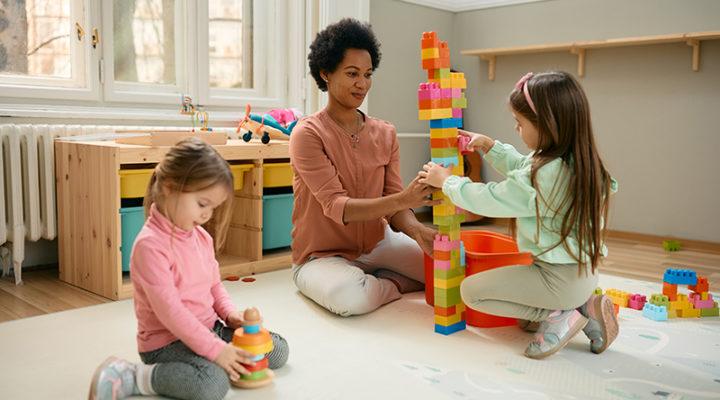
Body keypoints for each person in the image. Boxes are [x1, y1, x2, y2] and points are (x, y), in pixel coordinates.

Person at [419, 71, 619, 359]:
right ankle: (583, 305)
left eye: (519, 123)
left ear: (547, 125)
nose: (517, 129)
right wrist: (489, 147)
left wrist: (447, 182)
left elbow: (490, 199)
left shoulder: (543, 177)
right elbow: (524, 166)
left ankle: (561, 315)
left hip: (558, 281)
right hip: (584, 274)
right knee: (524, 302)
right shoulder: (577, 162)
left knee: (471, 293)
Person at [88, 138, 289, 400]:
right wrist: (217, 351)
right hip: (166, 344)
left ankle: (217, 361)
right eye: (202, 204)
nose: (207, 215)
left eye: (213, 208)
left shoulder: (200, 237)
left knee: (276, 350)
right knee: (212, 384)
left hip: (210, 329)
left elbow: (214, 285)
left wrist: (230, 315)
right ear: (171, 188)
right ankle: (134, 376)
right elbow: (171, 313)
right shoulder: (150, 247)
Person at [289, 18, 438, 317]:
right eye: (352, 74)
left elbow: (396, 205)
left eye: (368, 74)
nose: (362, 84)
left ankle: (377, 278)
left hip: (377, 243)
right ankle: (392, 284)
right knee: (350, 299)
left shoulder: (386, 133)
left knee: (449, 273)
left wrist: (417, 229)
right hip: (321, 257)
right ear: (326, 74)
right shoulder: (307, 134)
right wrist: (404, 200)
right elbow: (337, 206)